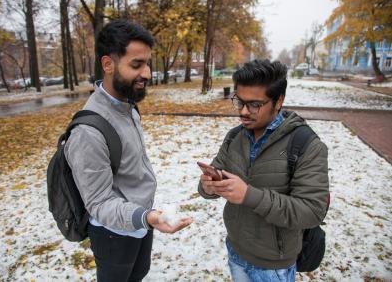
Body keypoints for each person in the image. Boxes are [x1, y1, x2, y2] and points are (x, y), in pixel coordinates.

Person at [65, 20, 192, 282]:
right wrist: (146, 217)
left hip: (142, 220)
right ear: (108, 64)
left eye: (147, 64)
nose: (146, 73)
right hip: (114, 233)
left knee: (138, 274)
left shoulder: (127, 104)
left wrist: (146, 218)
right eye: (136, 65)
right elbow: (99, 203)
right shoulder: (88, 132)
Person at [198, 59, 329, 282]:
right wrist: (208, 186)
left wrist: (249, 195)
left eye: (255, 105)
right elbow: (212, 177)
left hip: (273, 266)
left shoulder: (306, 144)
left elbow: (312, 210)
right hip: (236, 250)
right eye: (239, 101)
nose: (243, 111)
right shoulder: (234, 136)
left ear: (279, 101)